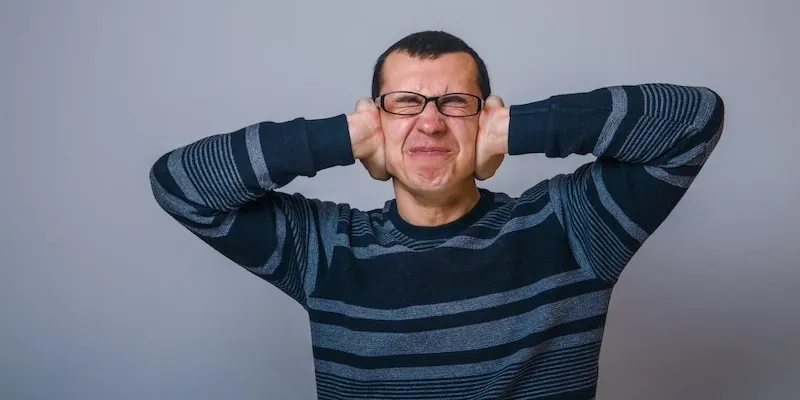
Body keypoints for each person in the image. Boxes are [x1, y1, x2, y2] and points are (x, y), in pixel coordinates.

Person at [149, 30, 725, 399]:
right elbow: (180, 184)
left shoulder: (572, 228)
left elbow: (694, 120)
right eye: (405, 103)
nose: (429, 123)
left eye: (454, 103)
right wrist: (342, 137)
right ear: (375, 122)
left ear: (485, 118)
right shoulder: (323, 249)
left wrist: (518, 128)